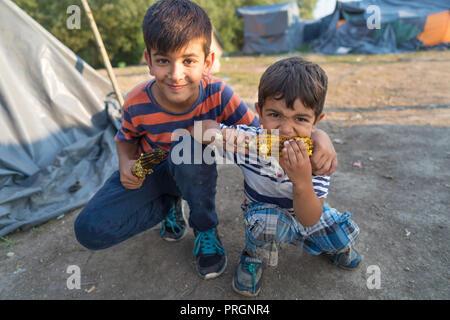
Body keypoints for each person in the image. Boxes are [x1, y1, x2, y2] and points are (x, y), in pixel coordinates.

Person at [74, 0, 338, 281]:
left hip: (192, 171)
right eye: (163, 60)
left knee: (186, 147)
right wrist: (126, 161)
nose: (176, 75)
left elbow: (265, 132)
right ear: (148, 61)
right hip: (150, 168)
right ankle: (169, 206)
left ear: (208, 62)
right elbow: (125, 138)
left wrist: (319, 137)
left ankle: (204, 228)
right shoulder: (136, 101)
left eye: (188, 60)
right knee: (90, 230)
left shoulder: (219, 95)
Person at [197, 57, 361, 296]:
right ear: (259, 113)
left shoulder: (317, 157)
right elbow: (199, 129)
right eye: (275, 115)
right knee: (267, 223)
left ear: (316, 122)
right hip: (265, 215)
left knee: (342, 234)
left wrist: (302, 180)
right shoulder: (248, 142)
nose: (285, 129)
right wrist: (237, 138)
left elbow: (309, 218)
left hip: (307, 212)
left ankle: (328, 247)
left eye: (301, 119)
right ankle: (254, 256)